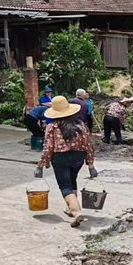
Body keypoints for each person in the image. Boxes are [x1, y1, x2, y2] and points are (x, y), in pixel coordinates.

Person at [34, 96, 98, 228]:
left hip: (60, 158)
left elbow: (48, 147)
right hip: (79, 157)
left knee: (65, 186)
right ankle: (69, 208)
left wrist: (40, 165)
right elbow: (89, 145)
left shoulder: (52, 126)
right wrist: (91, 165)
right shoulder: (81, 125)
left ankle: (76, 211)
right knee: (72, 179)